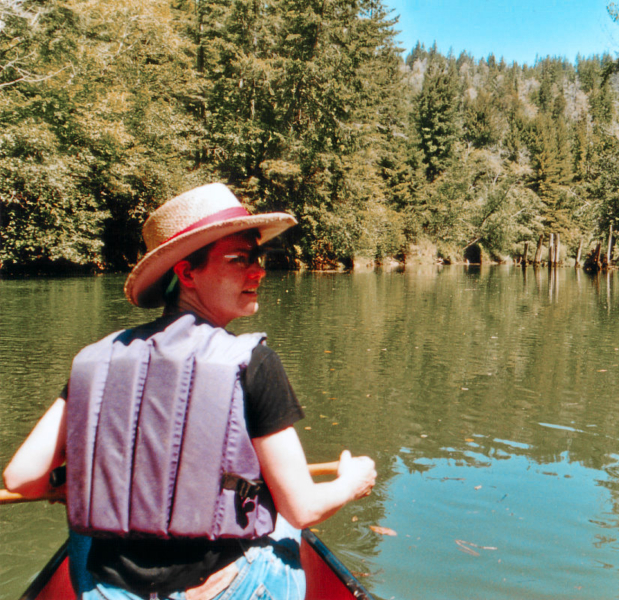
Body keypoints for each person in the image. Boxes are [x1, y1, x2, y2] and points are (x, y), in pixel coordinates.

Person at [3, 182, 377, 600]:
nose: (258, 271)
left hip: (112, 592)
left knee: (85, 531)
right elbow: (303, 507)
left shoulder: (96, 358)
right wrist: (352, 481)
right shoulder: (252, 360)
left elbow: (22, 479)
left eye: (257, 259)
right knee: (286, 520)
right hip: (223, 589)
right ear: (186, 273)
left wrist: (75, 481)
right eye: (239, 260)